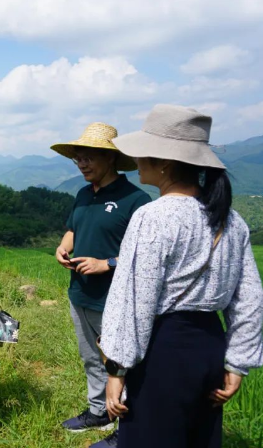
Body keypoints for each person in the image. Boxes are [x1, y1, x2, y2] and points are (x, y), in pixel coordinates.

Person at [100, 104, 263, 448]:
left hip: (163, 350)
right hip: (210, 346)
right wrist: (237, 364)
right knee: (198, 438)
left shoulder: (153, 217)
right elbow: (249, 299)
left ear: (164, 162)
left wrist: (116, 370)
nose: (138, 159)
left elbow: (133, 301)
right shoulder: (232, 221)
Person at [51, 123, 151, 447]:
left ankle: (128, 426)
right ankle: (99, 411)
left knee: (122, 363)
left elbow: (144, 257)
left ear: (110, 158)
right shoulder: (83, 194)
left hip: (114, 299)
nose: (81, 164)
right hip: (79, 293)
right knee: (91, 358)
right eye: (77, 158)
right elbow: (73, 230)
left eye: (88, 157)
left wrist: (105, 263)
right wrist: (63, 247)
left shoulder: (136, 199)